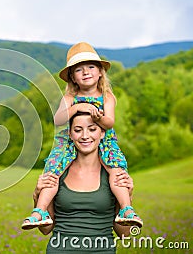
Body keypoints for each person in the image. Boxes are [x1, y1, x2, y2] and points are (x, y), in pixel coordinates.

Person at [22, 42, 142, 229]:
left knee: (116, 170)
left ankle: (126, 209)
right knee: (53, 171)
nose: (86, 72)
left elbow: (110, 122)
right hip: (68, 142)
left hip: (105, 141)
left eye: (91, 67)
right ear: (73, 78)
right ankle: (40, 210)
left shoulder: (106, 96)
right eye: (79, 70)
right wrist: (77, 108)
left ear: (101, 72)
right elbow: (58, 119)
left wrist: (98, 117)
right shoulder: (70, 98)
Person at [37, 111, 135, 253]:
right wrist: (36, 195)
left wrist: (129, 195)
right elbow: (45, 229)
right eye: (77, 130)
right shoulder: (58, 172)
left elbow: (124, 233)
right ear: (70, 134)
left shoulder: (114, 175)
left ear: (102, 133)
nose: (85, 136)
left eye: (92, 129)